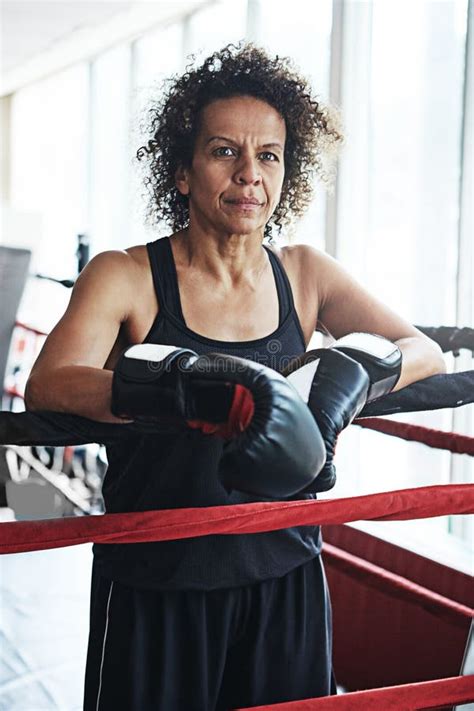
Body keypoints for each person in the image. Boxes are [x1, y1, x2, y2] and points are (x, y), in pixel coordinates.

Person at [24, 43, 446, 710]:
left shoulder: (306, 274)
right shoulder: (127, 274)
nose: (250, 173)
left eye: (269, 155)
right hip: (158, 578)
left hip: (286, 575)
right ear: (184, 171)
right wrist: (181, 385)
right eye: (225, 151)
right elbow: (49, 382)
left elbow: (421, 350)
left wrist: (346, 383)